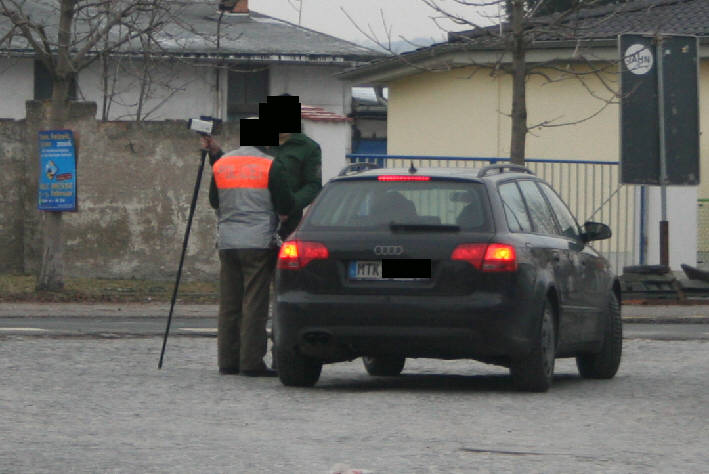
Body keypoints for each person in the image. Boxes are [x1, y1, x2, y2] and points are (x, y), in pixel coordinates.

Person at [201, 134, 293, 377]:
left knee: (230, 302)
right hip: (258, 241)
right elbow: (286, 205)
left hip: (228, 242)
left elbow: (214, 201)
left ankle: (227, 361)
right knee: (254, 302)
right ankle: (251, 362)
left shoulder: (222, 164)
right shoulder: (270, 164)